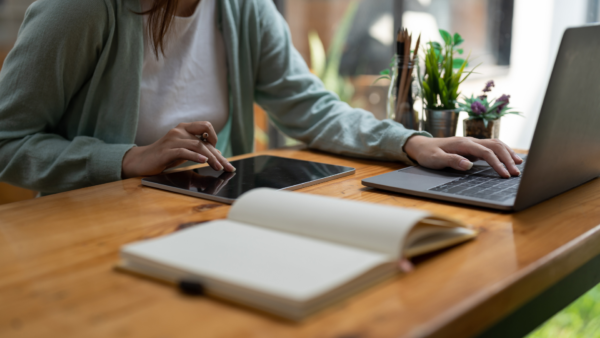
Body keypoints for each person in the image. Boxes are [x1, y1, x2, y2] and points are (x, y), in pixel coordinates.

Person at [0, 0, 522, 196]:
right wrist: (129, 159)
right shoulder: (81, 10)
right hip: (91, 230)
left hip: (199, 219)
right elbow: (8, 142)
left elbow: (311, 107)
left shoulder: (243, 9)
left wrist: (410, 142)